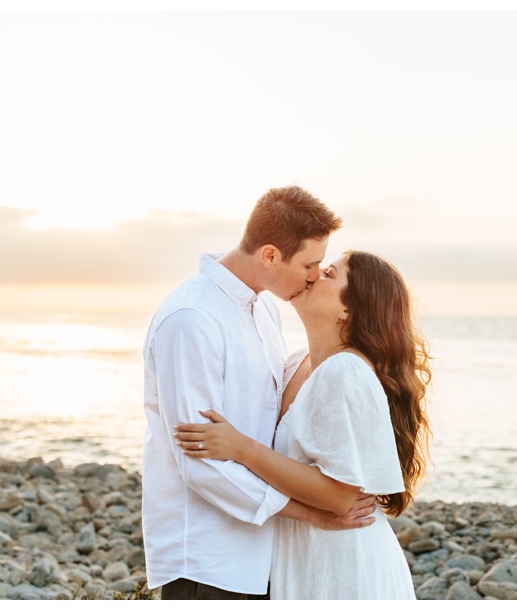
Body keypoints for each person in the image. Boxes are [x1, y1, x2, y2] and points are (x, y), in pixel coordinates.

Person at [142, 186, 377, 600]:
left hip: (259, 556)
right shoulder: (191, 319)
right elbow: (199, 465)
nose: (312, 276)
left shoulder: (264, 307)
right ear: (269, 255)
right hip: (206, 559)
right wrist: (311, 514)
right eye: (309, 263)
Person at [175, 250, 432, 599]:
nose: (311, 276)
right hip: (303, 554)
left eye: (328, 274)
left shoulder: (346, 371)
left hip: (344, 564)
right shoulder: (297, 363)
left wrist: (242, 448)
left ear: (348, 311)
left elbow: (340, 495)